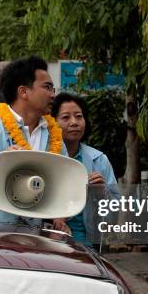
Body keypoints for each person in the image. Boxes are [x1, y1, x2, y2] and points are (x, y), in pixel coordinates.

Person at [0, 55, 68, 230]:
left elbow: (64, 179)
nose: (53, 94)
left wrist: (60, 219)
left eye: (53, 88)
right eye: (47, 87)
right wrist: (1, 163)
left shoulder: (53, 133)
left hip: (38, 233)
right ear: (23, 92)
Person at [51, 93, 119, 245]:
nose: (74, 122)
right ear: (52, 122)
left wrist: (102, 193)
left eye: (79, 116)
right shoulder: (44, 156)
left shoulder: (99, 160)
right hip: (49, 241)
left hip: (87, 245)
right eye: (66, 117)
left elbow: (116, 213)